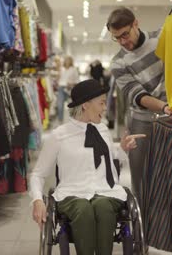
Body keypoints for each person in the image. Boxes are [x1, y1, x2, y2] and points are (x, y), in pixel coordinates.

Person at [108, 0, 172, 201]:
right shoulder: (118, 62)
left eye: (125, 34)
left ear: (136, 23)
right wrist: (164, 107)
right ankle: (144, 228)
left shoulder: (162, 36)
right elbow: (137, 95)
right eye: (116, 37)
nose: (122, 42)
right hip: (142, 124)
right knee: (142, 180)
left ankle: (170, 229)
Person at [29, 79, 145, 255]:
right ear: (85, 105)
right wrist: (37, 200)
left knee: (103, 208)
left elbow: (111, 163)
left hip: (106, 191)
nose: (105, 108)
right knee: (83, 210)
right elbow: (37, 174)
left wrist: (122, 149)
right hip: (71, 193)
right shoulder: (59, 136)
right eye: (102, 103)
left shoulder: (103, 130)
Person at [56, 56, 80, 123]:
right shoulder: (61, 69)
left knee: (72, 106)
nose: (67, 61)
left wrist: (72, 83)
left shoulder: (73, 69)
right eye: (66, 60)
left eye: (68, 60)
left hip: (70, 89)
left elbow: (77, 80)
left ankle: (73, 121)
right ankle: (60, 120)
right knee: (60, 105)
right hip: (61, 88)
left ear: (71, 61)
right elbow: (58, 79)